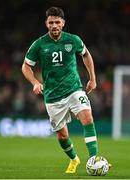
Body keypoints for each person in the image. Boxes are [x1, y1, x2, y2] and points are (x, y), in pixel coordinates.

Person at [22, 7, 99, 174]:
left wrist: (92, 78)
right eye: (51, 22)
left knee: (88, 118)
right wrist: (35, 82)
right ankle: (74, 159)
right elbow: (26, 66)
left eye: (57, 22)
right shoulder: (39, 44)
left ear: (63, 23)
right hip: (53, 96)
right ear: (46, 24)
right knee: (63, 136)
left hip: (74, 89)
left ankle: (94, 160)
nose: (54, 25)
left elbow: (86, 55)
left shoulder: (73, 40)